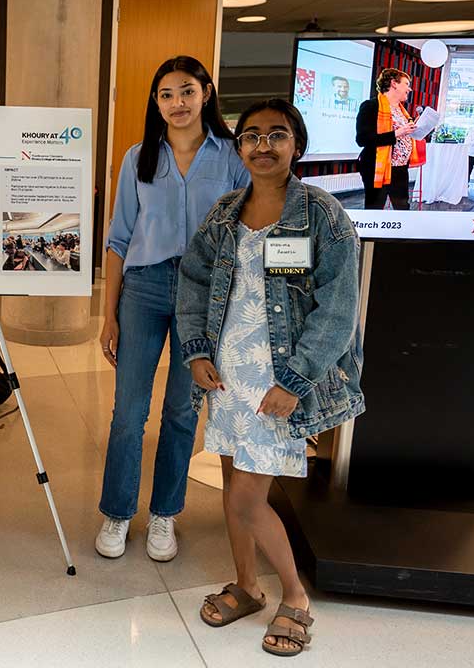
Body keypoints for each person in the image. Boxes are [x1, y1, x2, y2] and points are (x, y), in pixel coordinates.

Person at [177, 98, 364, 658]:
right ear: (239, 148)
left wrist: (297, 380)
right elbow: (192, 281)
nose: (263, 145)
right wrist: (195, 352)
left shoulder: (324, 216)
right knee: (234, 486)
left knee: (245, 501)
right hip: (228, 374)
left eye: (276, 135)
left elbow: (338, 310)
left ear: (296, 146)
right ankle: (247, 586)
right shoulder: (224, 213)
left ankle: (296, 597)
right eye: (252, 136)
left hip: (278, 382)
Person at [96, 55, 250, 563]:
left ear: (206, 92)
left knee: (183, 411)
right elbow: (118, 239)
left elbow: (245, 232)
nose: (176, 103)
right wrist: (108, 313)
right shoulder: (139, 157)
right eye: (165, 95)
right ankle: (118, 513)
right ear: (155, 103)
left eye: (186, 91)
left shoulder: (230, 155)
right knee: (129, 412)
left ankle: (165, 514)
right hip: (144, 286)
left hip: (205, 291)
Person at [356, 68, 419, 210]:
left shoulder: (402, 110)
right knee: (375, 209)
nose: (409, 89)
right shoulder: (371, 106)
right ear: (394, 83)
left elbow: (405, 136)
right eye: (406, 84)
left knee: (403, 208)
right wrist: (397, 133)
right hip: (377, 167)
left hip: (400, 169)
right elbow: (362, 139)